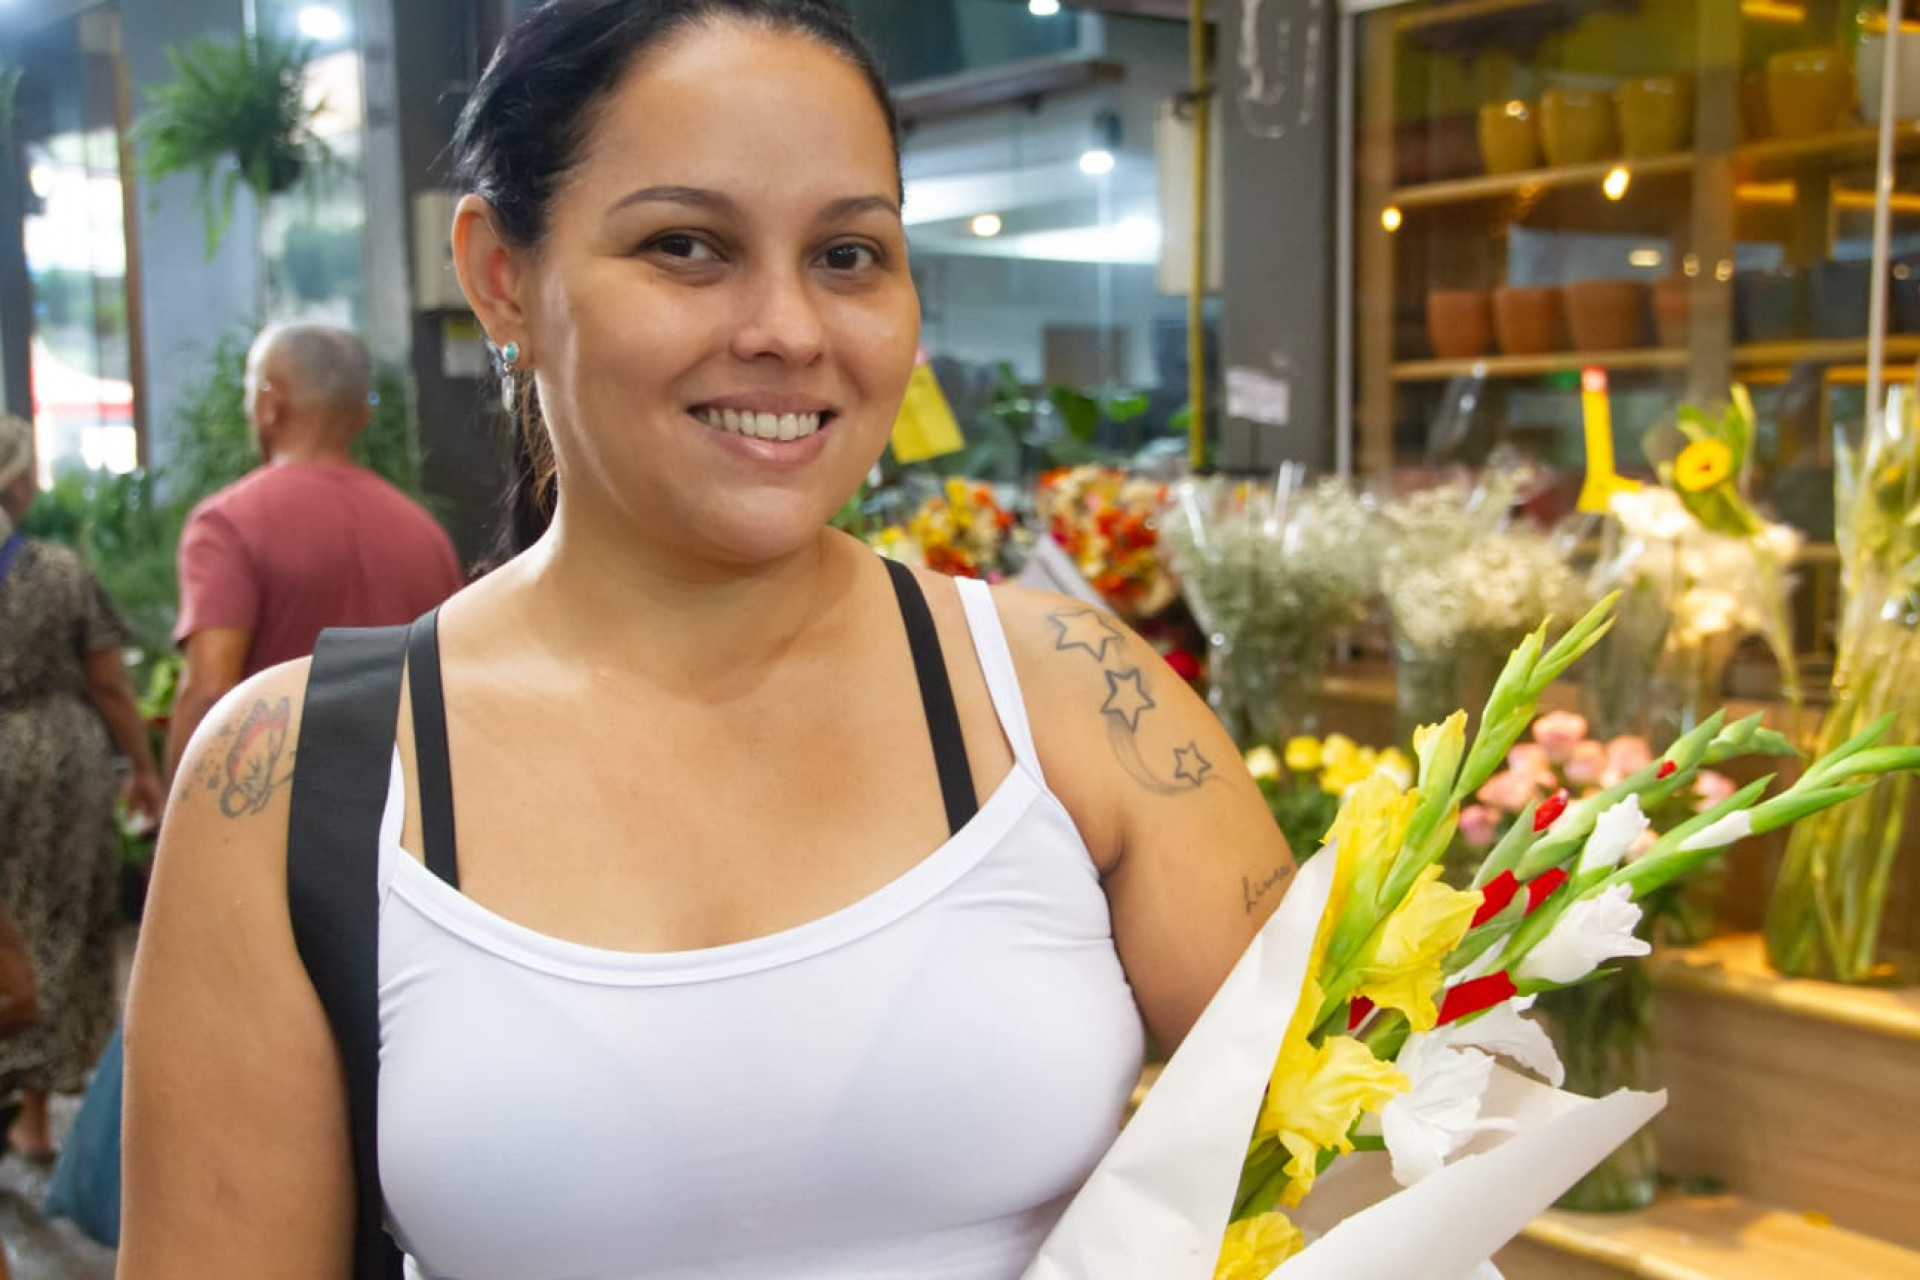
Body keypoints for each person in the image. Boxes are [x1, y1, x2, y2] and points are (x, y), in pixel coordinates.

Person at [120, 3, 1297, 1276]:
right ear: (499, 274)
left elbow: (1365, 1144)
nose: (789, 328)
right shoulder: (293, 781)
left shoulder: (1066, 692)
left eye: (849, 255)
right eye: (687, 245)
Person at [162, 323, 465, 781]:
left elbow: (209, 691)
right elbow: (452, 682)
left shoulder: (228, 524)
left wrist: (177, 829)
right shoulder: (424, 533)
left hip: (275, 814)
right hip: (403, 818)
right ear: (362, 414)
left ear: (269, 403)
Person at [0, 414, 163, 1166]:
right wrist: (143, 765)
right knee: (57, 920)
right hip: (55, 765)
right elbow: (108, 682)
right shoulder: (59, 572)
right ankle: (34, 1110)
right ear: (22, 482)